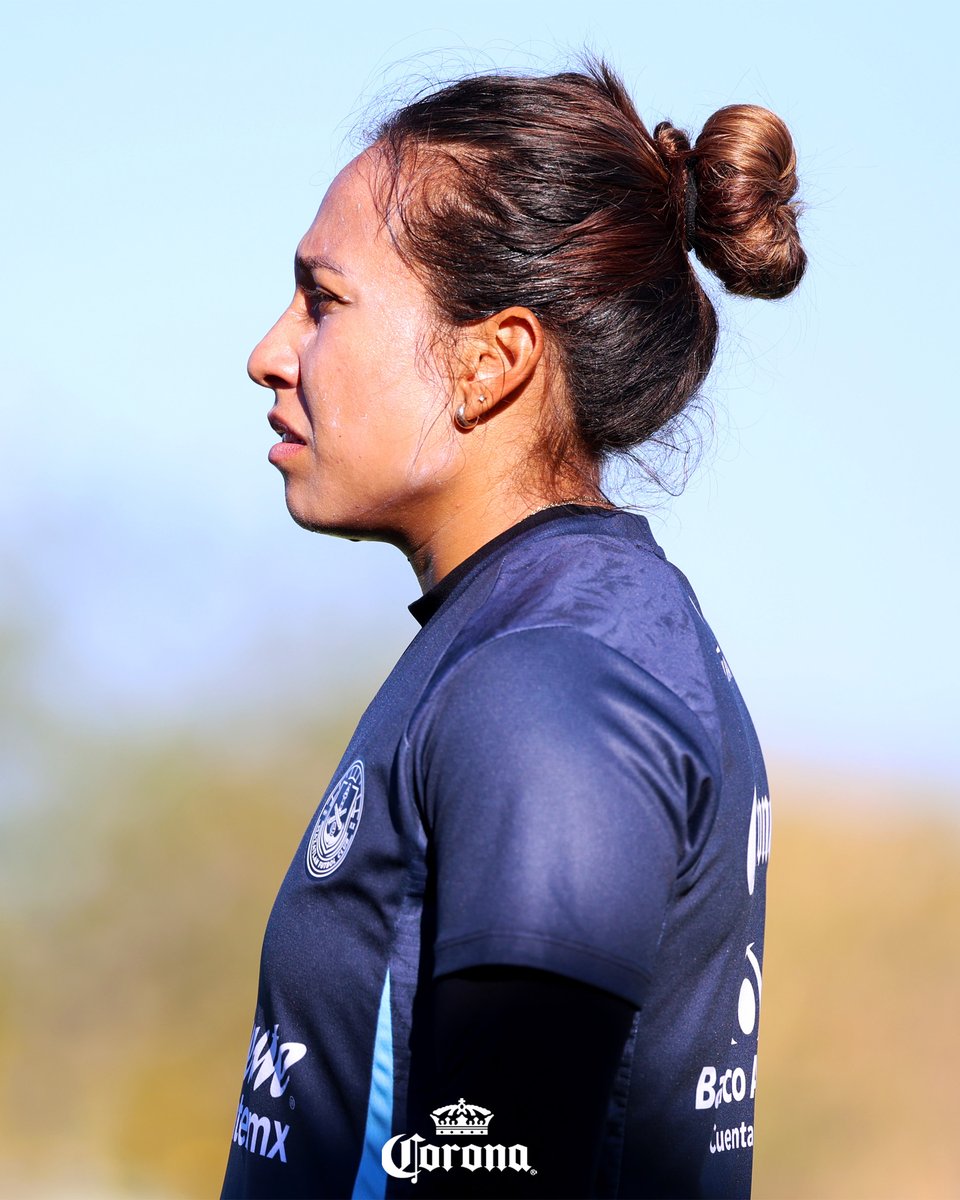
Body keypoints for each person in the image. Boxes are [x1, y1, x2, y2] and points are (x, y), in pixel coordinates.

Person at [221, 58, 804, 1200]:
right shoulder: (530, 638)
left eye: (323, 301)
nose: (270, 351)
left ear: (492, 363)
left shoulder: (548, 682)